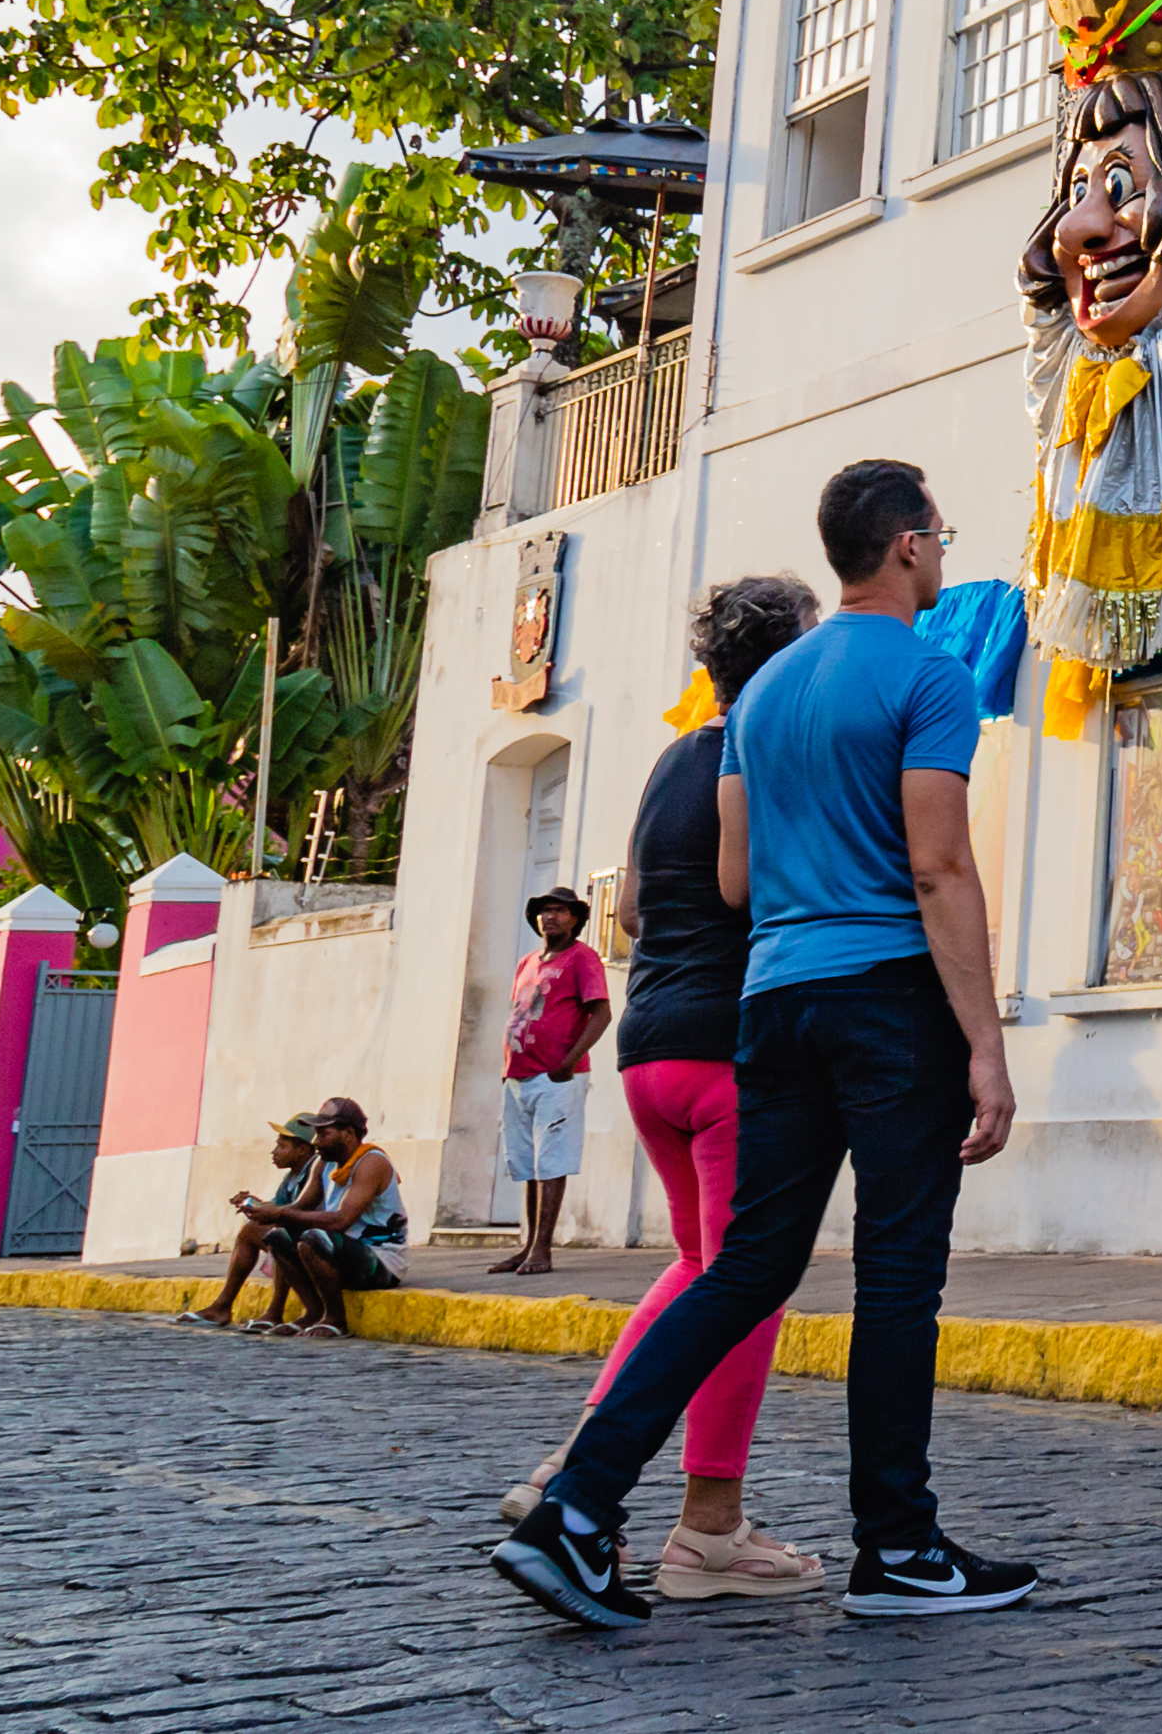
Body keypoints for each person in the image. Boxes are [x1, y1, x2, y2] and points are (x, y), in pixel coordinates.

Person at [490, 459, 1037, 1635]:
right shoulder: (930, 676)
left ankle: (579, 1508)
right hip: (887, 998)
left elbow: (735, 876)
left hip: (773, 1000)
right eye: (938, 532)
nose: (941, 549)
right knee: (898, 1278)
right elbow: (939, 866)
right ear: (903, 547)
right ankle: (896, 1548)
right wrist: (984, 1046)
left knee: (744, 1268)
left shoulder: (764, 693)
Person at [493, 574, 828, 1597]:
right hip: (734, 1051)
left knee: (696, 1266)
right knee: (747, 1285)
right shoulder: (767, 754)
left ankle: (571, 1465)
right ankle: (709, 1529)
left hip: (652, 1050)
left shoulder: (672, 757)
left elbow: (631, 907)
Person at [495, 885, 612, 1277]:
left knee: (551, 1162)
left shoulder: (583, 959)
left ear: (575, 919)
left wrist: (569, 1061)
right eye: (546, 911)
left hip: (557, 1076)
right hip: (518, 1075)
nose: (551, 917)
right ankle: (527, 1245)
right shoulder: (527, 962)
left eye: (561, 911)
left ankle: (543, 1249)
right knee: (527, 1164)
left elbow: (601, 1014)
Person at [272, 1098, 409, 1335]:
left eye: (324, 1134)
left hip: (381, 1262)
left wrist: (281, 1212)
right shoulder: (324, 1165)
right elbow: (300, 1208)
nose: (316, 1142)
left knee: (314, 1238)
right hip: (341, 1254)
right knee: (278, 1237)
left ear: (348, 1133)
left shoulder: (372, 1162)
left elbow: (341, 1220)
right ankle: (314, 1313)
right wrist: (265, 1211)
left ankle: (336, 1319)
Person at [181, 1116, 330, 1331]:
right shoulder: (292, 1177)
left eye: (282, 1146)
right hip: (301, 1236)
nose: (274, 1152)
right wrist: (254, 1203)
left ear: (302, 1150)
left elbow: (296, 1213)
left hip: (315, 1243)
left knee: (280, 1234)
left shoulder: (315, 1170)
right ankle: (223, 1305)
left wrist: (267, 1212)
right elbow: (280, 1207)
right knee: (250, 1232)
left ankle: (274, 1311)